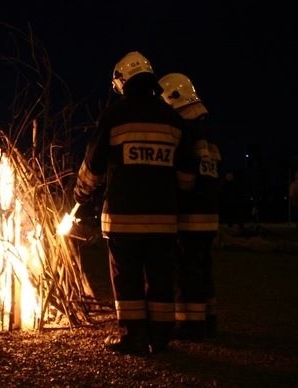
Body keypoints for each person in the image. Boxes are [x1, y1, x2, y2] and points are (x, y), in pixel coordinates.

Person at [73, 52, 197, 355]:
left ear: (123, 81)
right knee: (161, 279)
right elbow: (187, 175)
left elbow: (93, 166)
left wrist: (81, 196)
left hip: (123, 219)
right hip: (164, 219)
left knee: (127, 280)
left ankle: (133, 337)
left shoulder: (115, 116)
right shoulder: (173, 119)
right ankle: (161, 338)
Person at [159, 73, 220, 340]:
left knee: (186, 271)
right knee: (203, 268)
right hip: (209, 215)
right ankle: (209, 320)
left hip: (189, 216)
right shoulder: (206, 135)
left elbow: (185, 176)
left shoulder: (184, 131)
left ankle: (190, 325)